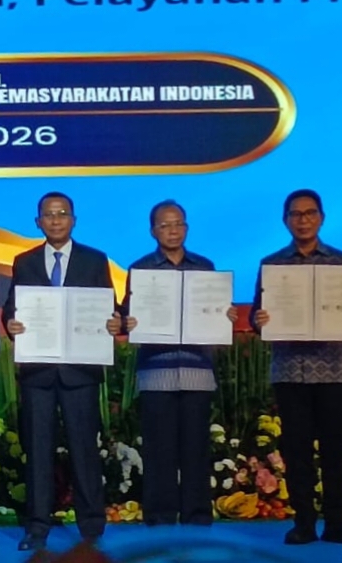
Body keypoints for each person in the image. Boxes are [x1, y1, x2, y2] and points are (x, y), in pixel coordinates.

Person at [250, 189, 342, 546]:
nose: (303, 220)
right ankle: (303, 523)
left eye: (309, 213)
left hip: (334, 369)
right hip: (290, 370)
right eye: (295, 214)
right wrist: (259, 320)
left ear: (321, 218)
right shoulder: (272, 265)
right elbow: (256, 315)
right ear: (285, 220)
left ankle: (338, 522)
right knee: (297, 451)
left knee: (335, 450)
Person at [106, 201, 239, 528]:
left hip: (197, 372)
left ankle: (197, 517)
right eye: (165, 225)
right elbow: (126, 315)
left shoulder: (204, 267)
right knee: (159, 450)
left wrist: (226, 315)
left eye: (178, 223)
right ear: (153, 231)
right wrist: (128, 321)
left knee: (196, 449)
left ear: (187, 228)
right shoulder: (141, 269)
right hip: (157, 372)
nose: (173, 230)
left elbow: (215, 309)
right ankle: (160, 518)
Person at [2, 192, 113, 556]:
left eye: (62, 213)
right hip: (38, 373)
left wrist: (113, 322)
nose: (55, 220)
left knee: (85, 451)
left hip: (80, 371)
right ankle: (37, 528)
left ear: (73, 219)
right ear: (38, 222)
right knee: (38, 452)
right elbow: (11, 309)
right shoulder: (25, 261)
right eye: (48, 215)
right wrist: (11, 324)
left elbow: (109, 307)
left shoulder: (95, 260)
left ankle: (91, 528)